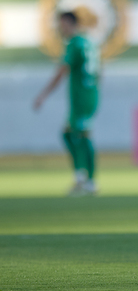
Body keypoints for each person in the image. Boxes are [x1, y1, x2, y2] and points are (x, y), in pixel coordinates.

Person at [34, 11, 100, 196]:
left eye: (63, 25)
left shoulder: (74, 43)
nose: (61, 29)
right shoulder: (89, 42)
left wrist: (43, 95)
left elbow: (61, 71)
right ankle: (82, 176)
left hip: (81, 97)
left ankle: (89, 181)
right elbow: (99, 70)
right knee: (68, 133)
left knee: (82, 135)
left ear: (71, 24)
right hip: (89, 94)